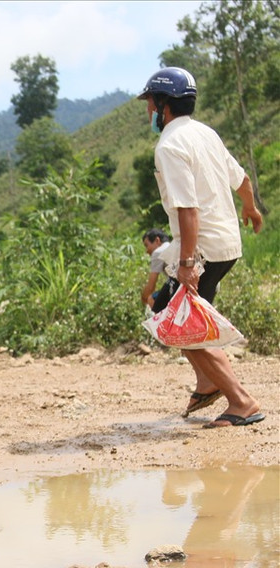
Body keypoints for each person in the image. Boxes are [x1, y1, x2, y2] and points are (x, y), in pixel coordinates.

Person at [138, 66, 264, 427]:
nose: (148, 112)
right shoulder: (205, 133)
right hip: (226, 245)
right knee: (170, 310)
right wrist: (251, 209)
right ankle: (209, 383)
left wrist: (188, 262)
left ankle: (242, 402)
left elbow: (187, 208)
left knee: (179, 321)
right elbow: (240, 179)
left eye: (150, 103)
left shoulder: (170, 145)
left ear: (163, 105)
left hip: (204, 249)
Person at [140, 228, 171, 309]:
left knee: (152, 299)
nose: (147, 251)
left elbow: (151, 285)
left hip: (178, 284)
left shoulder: (158, 252)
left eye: (147, 245)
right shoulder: (172, 246)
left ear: (157, 240)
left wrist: (144, 299)